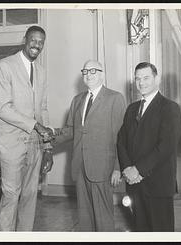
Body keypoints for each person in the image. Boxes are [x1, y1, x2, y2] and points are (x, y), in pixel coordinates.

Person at [53, 60, 126, 231]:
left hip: (102, 168)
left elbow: (121, 136)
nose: (88, 74)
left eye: (93, 70)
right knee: (85, 219)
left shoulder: (115, 98)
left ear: (102, 74)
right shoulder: (77, 100)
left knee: (103, 219)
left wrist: (117, 167)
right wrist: (48, 137)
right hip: (80, 166)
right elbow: (71, 130)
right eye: (85, 71)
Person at [0, 25, 53, 231]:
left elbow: (42, 109)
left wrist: (47, 148)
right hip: (11, 145)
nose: (37, 45)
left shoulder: (42, 72)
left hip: (35, 145)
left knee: (29, 196)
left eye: (41, 42)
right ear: (25, 39)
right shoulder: (5, 65)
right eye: (34, 40)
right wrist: (35, 125)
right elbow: (3, 108)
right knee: (11, 196)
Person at [117, 62, 181, 231]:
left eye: (146, 78)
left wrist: (138, 169)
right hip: (134, 185)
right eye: (137, 79)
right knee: (140, 230)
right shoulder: (131, 109)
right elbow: (121, 140)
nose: (141, 83)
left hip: (158, 186)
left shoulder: (169, 108)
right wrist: (127, 169)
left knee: (161, 233)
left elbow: (166, 147)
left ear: (157, 79)